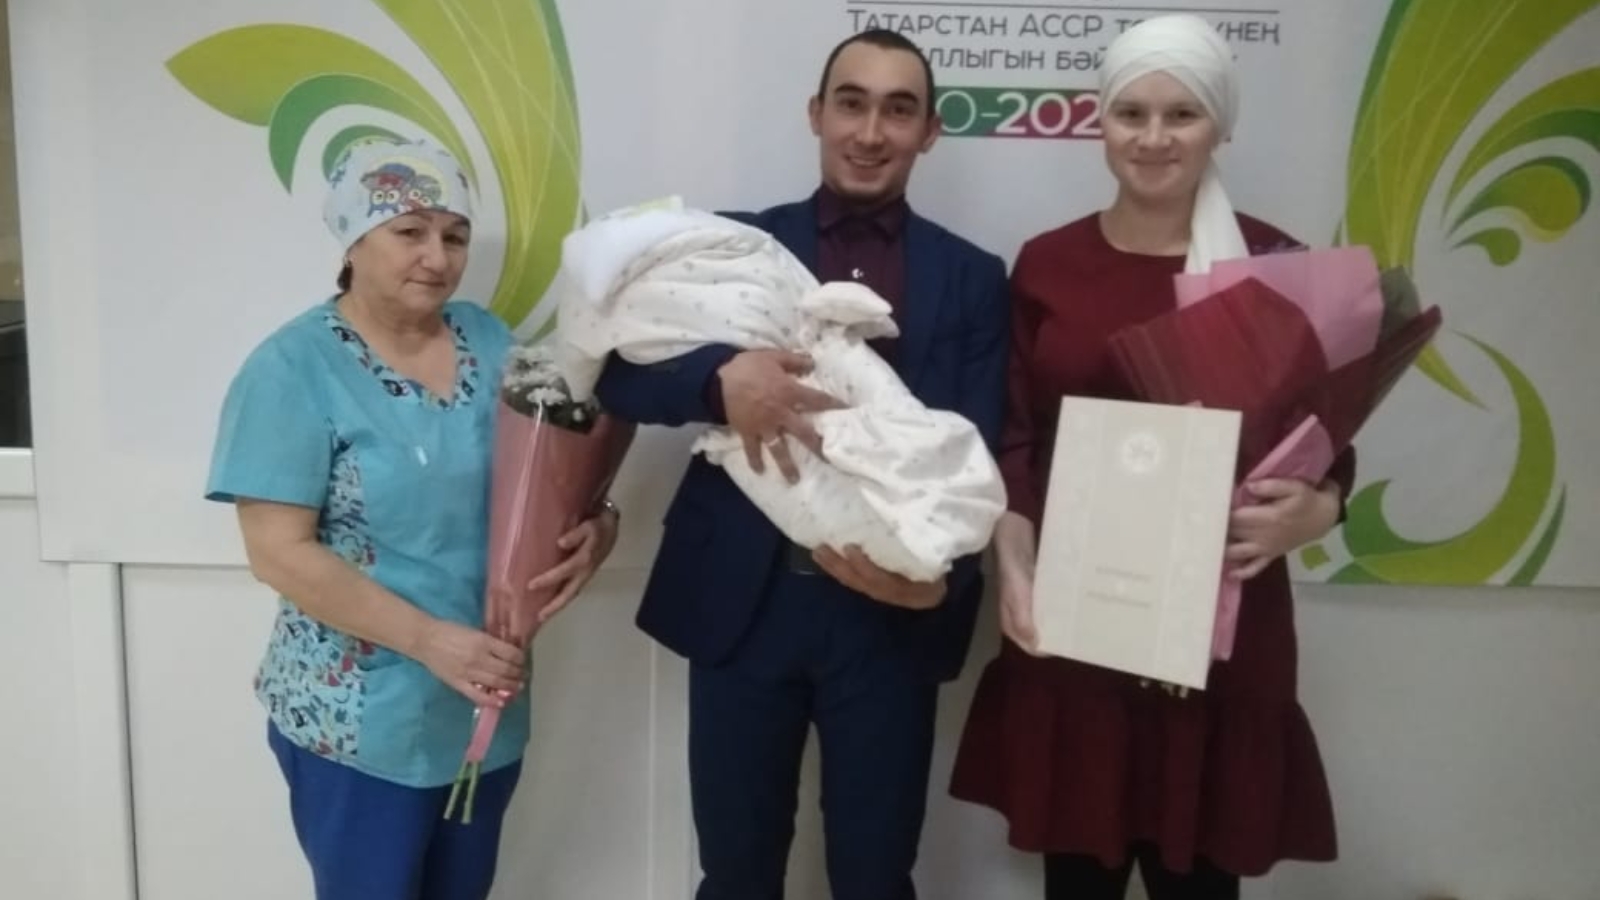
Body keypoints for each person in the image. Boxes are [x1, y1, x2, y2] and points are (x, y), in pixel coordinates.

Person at [948, 15, 1356, 900]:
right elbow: (1014, 437)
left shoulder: (1274, 265)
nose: (1154, 138)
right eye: (1131, 114)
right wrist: (1012, 559)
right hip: (1075, 613)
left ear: (1221, 126)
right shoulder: (1048, 264)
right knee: (1078, 880)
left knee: (1199, 880)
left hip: (1221, 627)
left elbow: (1325, 441)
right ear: (1100, 122)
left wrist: (1320, 507)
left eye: (1182, 114)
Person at [595, 29, 1009, 900]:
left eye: (899, 110)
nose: (871, 132)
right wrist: (717, 382)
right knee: (735, 874)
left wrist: (940, 589)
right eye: (851, 103)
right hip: (745, 605)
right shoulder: (733, 243)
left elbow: (978, 452)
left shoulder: (973, 277)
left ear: (930, 130)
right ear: (817, 114)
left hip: (890, 615)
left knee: (876, 876)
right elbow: (622, 376)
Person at [204, 137, 619, 900]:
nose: (437, 257)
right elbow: (278, 553)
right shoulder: (290, 369)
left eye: (454, 236)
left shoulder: (487, 341)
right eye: (410, 232)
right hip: (359, 725)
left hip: (483, 703)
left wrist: (599, 523)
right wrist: (429, 640)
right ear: (352, 239)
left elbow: (546, 474)